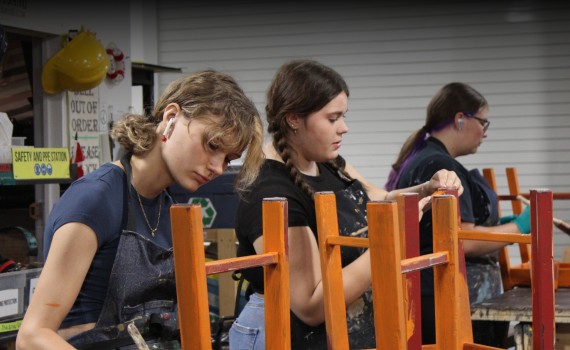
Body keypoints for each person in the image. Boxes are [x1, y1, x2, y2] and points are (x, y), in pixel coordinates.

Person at [16, 70, 264, 350]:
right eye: (212, 145)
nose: (218, 167)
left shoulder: (168, 210)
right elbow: (33, 336)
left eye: (228, 158)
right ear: (171, 118)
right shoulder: (96, 199)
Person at [229, 59, 463, 350]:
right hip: (286, 334)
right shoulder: (271, 192)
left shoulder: (327, 163)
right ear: (293, 119)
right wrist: (392, 240)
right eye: (332, 118)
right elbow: (312, 305)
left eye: (344, 116)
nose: (345, 128)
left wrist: (429, 186)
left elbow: (381, 198)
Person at [386, 82, 530, 346]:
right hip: (445, 298)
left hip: (433, 294)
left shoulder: (423, 156)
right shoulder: (441, 166)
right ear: (460, 119)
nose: (485, 132)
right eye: (483, 123)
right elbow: (464, 239)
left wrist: (499, 227)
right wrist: (521, 227)